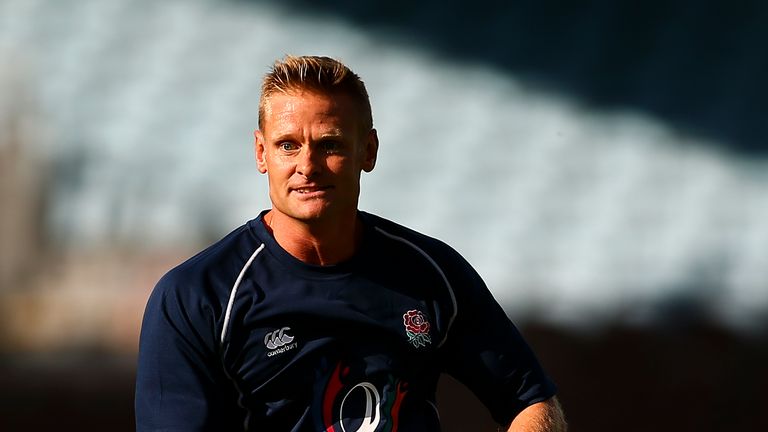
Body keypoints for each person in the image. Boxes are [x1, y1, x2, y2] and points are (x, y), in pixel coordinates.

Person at [135, 55, 566, 431]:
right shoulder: (197, 296)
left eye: (330, 145)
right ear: (261, 153)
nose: (308, 165)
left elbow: (529, 400)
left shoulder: (432, 274)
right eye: (288, 145)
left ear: (369, 151)